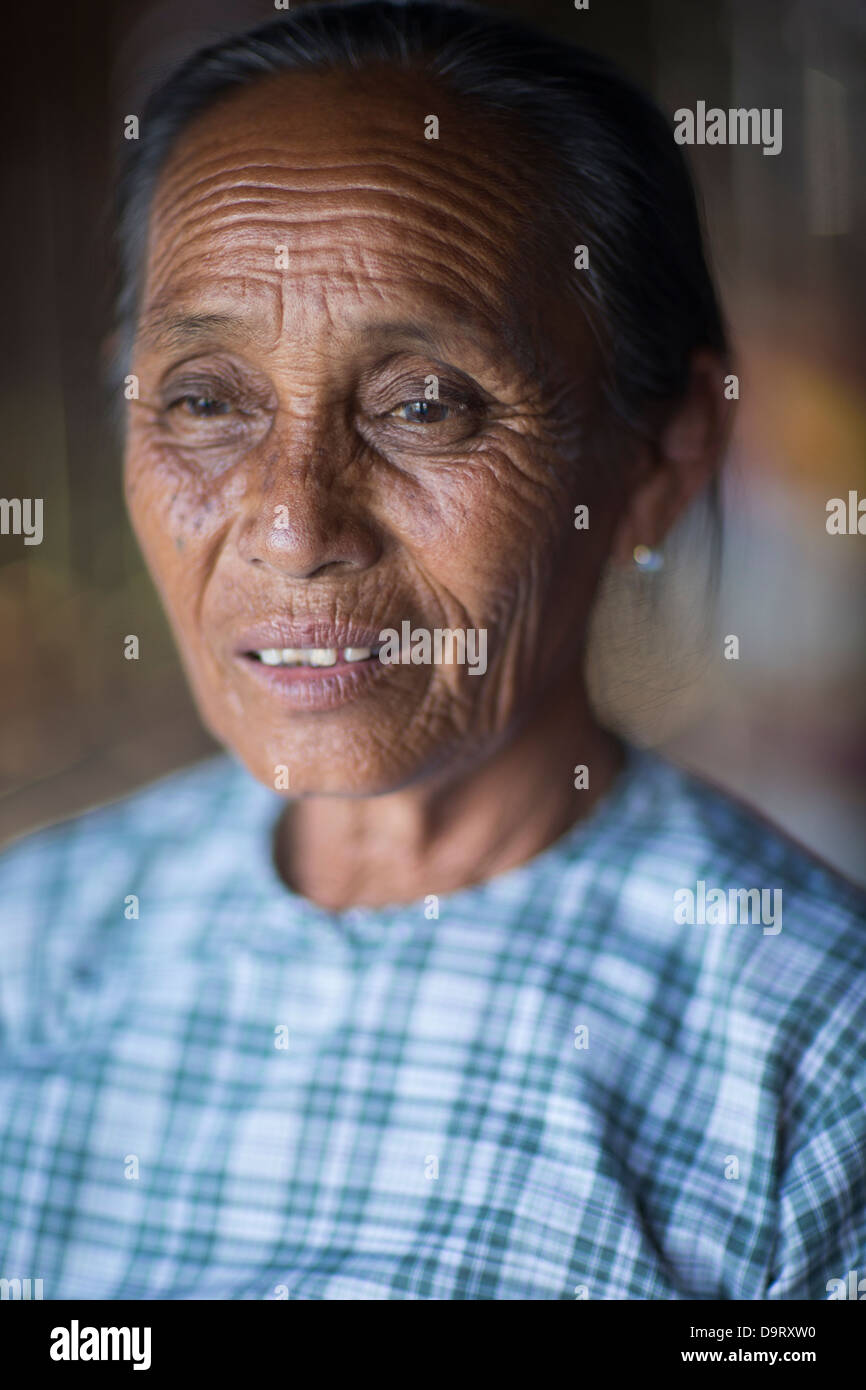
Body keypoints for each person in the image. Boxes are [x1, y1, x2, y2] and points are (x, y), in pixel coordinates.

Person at [0, 0, 863, 1300]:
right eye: (204, 399)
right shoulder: (29, 949)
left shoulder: (811, 1063)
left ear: (659, 455)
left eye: (422, 403)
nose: (294, 527)